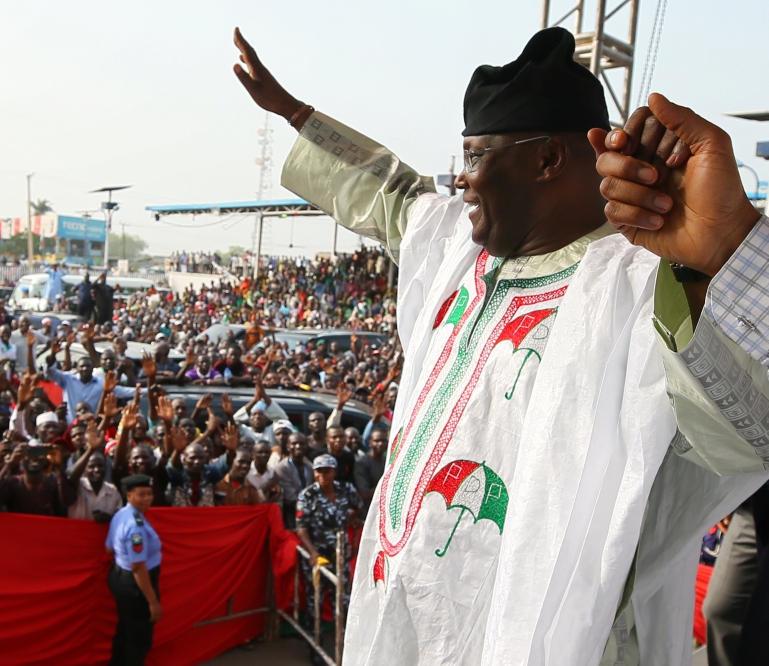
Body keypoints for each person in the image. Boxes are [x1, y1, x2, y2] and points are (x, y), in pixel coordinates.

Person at [234, 25, 769, 666]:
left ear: (545, 161)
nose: (460, 182)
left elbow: (744, 428)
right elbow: (391, 196)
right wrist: (295, 114)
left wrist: (725, 250)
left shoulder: (647, 291)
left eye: (476, 157)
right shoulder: (458, 249)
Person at [295, 454, 363, 663]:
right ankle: (315, 647)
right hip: (318, 557)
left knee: (343, 602)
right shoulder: (307, 495)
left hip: (341, 555)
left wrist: (351, 517)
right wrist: (313, 553)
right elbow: (301, 527)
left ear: (334, 472)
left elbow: (359, 505)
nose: (322, 475)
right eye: (318, 471)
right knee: (315, 602)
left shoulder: (345, 490)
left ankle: (344, 647)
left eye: (327, 470)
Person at [106, 474, 162, 666]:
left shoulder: (121, 514)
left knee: (125, 631)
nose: (147, 498)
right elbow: (138, 567)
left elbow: (108, 548)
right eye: (141, 494)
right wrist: (152, 602)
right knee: (139, 640)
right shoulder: (135, 526)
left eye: (149, 494)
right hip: (136, 585)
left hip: (119, 577)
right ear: (129, 496)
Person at [275, 433, 313, 529]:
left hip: (312, 518)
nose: (298, 446)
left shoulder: (310, 466)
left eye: (301, 443)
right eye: (294, 443)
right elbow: (290, 499)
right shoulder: (282, 468)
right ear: (288, 447)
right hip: (292, 519)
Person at [353, 427, 388, 510]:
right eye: (377, 441)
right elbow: (365, 494)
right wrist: (386, 485)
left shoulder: (388, 462)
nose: (380, 444)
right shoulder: (362, 464)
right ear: (370, 443)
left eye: (383, 441)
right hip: (368, 511)